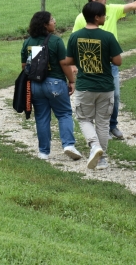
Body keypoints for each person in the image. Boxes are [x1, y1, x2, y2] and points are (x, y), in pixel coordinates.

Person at [73, 0, 136, 140]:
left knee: (115, 95)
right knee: (95, 96)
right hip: (91, 63)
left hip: (110, 64)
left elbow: (134, 5)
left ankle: (112, 125)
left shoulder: (112, 10)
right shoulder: (81, 18)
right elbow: (75, 41)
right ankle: (98, 129)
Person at [66, 1, 123, 170]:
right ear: (97, 17)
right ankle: (101, 159)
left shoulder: (75, 37)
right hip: (105, 86)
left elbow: (68, 60)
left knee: (84, 118)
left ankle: (94, 145)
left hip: (85, 86)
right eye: (104, 15)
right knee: (103, 122)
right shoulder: (108, 37)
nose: (105, 17)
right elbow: (118, 61)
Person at [21, 11, 82, 161]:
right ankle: (68, 145)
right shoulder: (56, 41)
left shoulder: (28, 42)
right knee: (64, 114)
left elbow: (24, 66)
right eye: (52, 20)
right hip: (55, 83)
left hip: (36, 85)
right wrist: (72, 81)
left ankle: (43, 152)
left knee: (41, 117)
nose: (54, 21)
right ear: (45, 25)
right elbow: (64, 63)